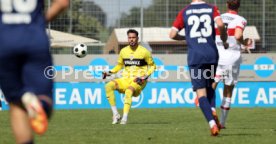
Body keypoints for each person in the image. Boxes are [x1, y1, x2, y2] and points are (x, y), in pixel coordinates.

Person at [0, 0, 69, 144]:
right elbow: (62, 3)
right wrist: (40, 22)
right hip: (34, 40)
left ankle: (26, 98)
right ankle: (39, 105)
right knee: (44, 99)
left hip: (4, 42)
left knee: (16, 104)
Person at [170, 0, 228, 136]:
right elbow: (220, 24)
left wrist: (186, 38)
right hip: (211, 55)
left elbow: (172, 34)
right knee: (210, 86)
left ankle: (212, 124)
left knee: (201, 93)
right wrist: (224, 39)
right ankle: (212, 108)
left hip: (196, 57)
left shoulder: (184, 11)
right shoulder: (212, 8)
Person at [212, 0, 252, 129]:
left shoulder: (218, 18)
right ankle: (222, 122)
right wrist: (244, 43)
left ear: (227, 5)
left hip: (216, 53)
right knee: (228, 88)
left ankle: (209, 107)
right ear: (239, 6)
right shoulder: (240, 19)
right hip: (231, 55)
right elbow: (238, 35)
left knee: (212, 82)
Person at [103, 29, 156, 125]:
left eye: (133, 37)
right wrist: (109, 72)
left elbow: (153, 66)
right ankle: (115, 114)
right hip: (125, 79)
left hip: (139, 80)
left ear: (137, 39)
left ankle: (124, 118)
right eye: (129, 37)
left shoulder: (144, 52)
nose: (131, 39)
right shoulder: (123, 51)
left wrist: (145, 77)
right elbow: (119, 65)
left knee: (129, 91)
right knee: (108, 86)